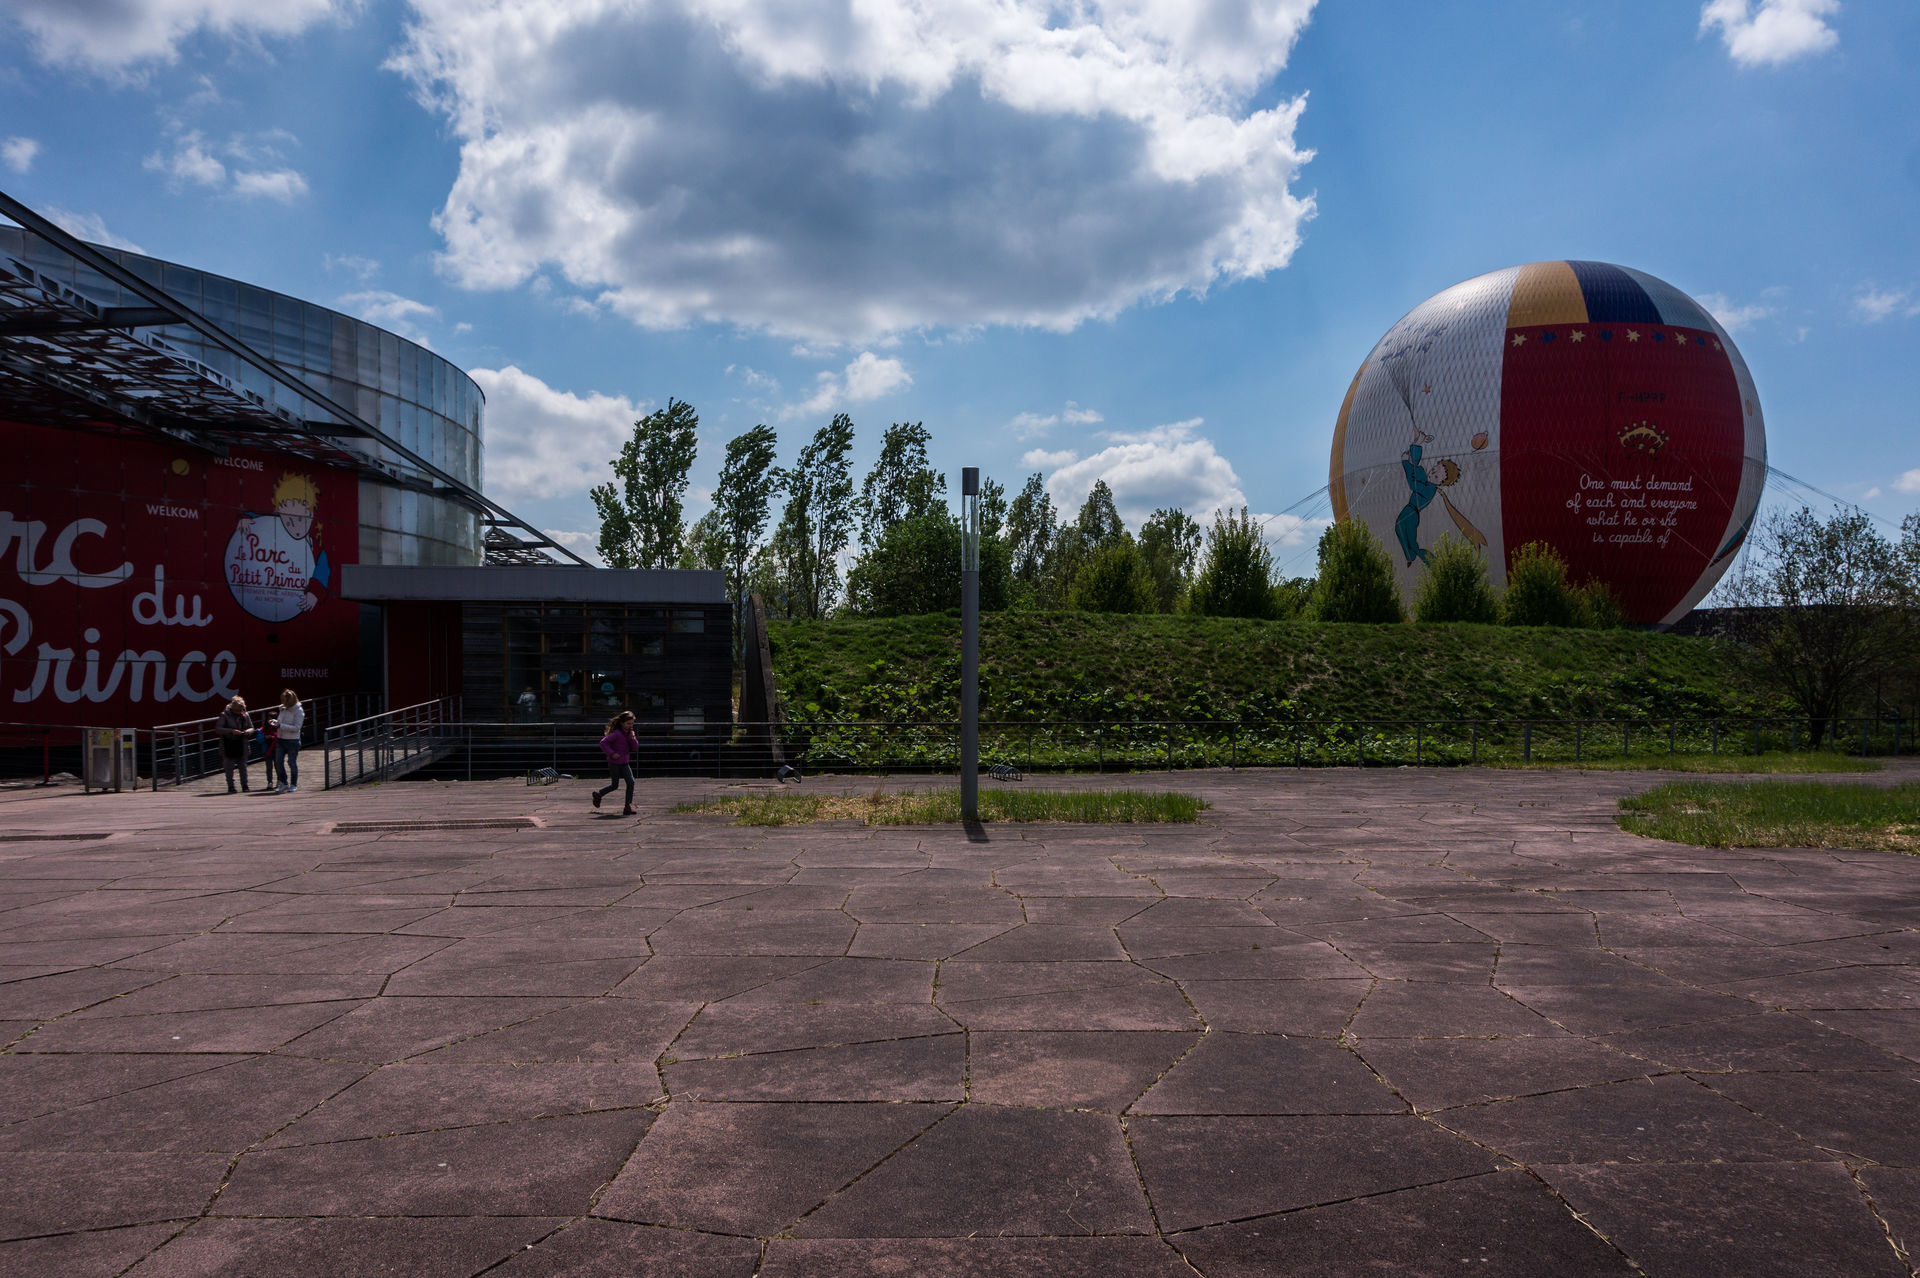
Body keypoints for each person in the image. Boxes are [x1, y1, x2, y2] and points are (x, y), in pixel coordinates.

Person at [593, 710, 639, 816]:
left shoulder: (630, 734)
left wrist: (632, 739)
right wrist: (612, 753)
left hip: (625, 762)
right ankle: (598, 794)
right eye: (628, 723)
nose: (630, 726)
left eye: (632, 724)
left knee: (631, 782)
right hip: (614, 763)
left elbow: (635, 748)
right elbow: (603, 743)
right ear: (622, 723)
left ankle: (627, 806)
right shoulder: (616, 734)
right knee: (615, 785)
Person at [270, 689, 305, 793]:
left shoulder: (298, 711)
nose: (283, 702)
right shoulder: (282, 709)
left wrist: (280, 725)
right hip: (280, 739)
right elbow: (281, 722)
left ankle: (293, 784)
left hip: (293, 740)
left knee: (291, 762)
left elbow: (297, 728)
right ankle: (284, 783)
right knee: (278, 762)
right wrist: (276, 722)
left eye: (285, 700)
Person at [216, 695, 252, 793]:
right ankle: (231, 786)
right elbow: (218, 729)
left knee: (243, 766)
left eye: (241, 710)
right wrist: (231, 731)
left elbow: (251, 727)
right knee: (229, 767)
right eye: (237, 711)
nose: (240, 712)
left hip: (242, 743)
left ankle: (245, 785)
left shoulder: (245, 714)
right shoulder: (225, 715)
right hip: (229, 744)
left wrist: (248, 731)